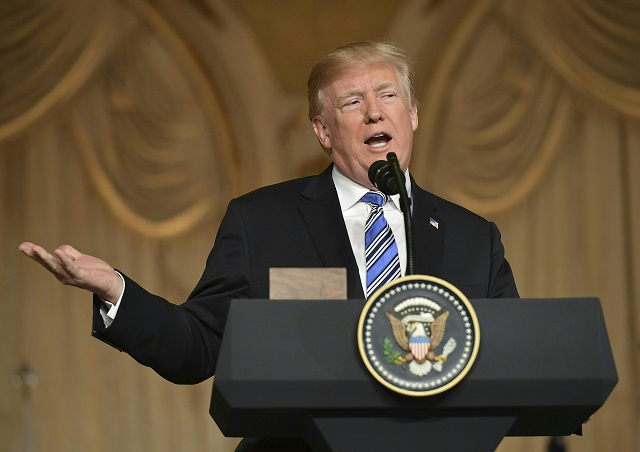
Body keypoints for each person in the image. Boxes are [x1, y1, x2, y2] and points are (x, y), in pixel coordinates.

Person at [19, 41, 518, 449]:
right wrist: (116, 292)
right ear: (323, 130)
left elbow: (517, 357)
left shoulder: (474, 237)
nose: (372, 114)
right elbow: (197, 348)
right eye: (351, 103)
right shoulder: (262, 221)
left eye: (387, 97)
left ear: (411, 115)